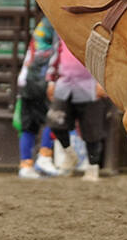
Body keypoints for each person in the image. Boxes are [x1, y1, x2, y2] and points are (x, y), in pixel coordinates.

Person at [46, 41, 110, 180]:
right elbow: (55, 57)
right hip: (65, 84)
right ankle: (70, 154)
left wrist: (102, 82)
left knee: (92, 131)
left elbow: (106, 58)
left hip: (90, 86)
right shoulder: (62, 35)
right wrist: (51, 81)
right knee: (54, 122)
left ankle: (93, 168)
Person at [15, 14, 61, 178]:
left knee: (29, 125)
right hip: (43, 80)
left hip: (26, 80)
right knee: (51, 119)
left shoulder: (44, 25)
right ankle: (44, 157)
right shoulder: (56, 23)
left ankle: (26, 164)